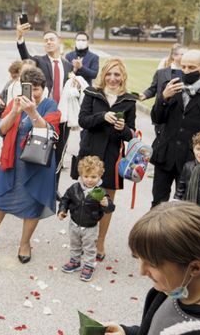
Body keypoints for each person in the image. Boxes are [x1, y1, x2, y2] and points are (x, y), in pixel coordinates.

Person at [0, 67, 60, 263]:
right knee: (1, 201)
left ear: (43, 89)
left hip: (38, 165)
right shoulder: (15, 103)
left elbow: (49, 131)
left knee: (33, 203)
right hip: (13, 161)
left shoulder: (50, 105)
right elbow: (1, 129)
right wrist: (15, 111)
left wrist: (32, 112)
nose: (33, 93)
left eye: (37, 89)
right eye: (28, 88)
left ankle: (25, 243)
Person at [105, 202, 200, 335]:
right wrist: (127, 332)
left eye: (152, 263)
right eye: (140, 259)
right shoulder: (170, 289)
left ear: (195, 268)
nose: (142, 271)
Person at [74, 58, 137, 261]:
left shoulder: (128, 101)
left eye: (116, 74)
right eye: (109, 74)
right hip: (90, 153)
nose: (112, 78)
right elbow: (82, 120)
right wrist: (102, 117)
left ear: (123, 77)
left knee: (105, 200)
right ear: (103, 75)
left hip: (112, 157)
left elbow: (131, 134)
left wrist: (123, 129)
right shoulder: (92, 94)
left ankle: (100, 240)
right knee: (87, 197)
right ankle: (85, 238)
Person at [150, 49, 200, 207]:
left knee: (185, 206)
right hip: (165, 155)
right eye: (183, 66)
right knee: (158, 203)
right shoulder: (170, 86)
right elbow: (156, 118)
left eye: (191, 68)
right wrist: (163, 97)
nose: (186, 71)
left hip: (192, 161)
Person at [16, 21, 73, 184]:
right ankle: (39, 184)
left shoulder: (67, 65)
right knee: (41, 149)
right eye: (45, 40)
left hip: (62, 115)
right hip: (44, 112)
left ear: (58, 41)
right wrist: (20, 37)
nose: (48, 42)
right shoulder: (40, 61)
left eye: (51, 39)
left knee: (60, 151)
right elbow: (25, 57)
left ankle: (54, 187)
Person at [58, 156, 115, 282]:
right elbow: (66, 199)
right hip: (74, 223)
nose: (89, 180)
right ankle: (75, 261)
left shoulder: (100, 192)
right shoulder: (75, 188)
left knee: (89, 247)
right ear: (81, 175)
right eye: (86, 176)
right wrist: (62, 210)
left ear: (100, 176)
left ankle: (89, 265)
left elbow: (110, 209)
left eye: (94, 177)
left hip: (90, 226)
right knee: (75, 244)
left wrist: (107, 204)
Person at [174, 128, 200, 215]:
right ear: (193, 148)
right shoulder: (188, 166)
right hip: (186, 210)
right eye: (198, 149)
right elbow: (181, 189)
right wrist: (175, 204)